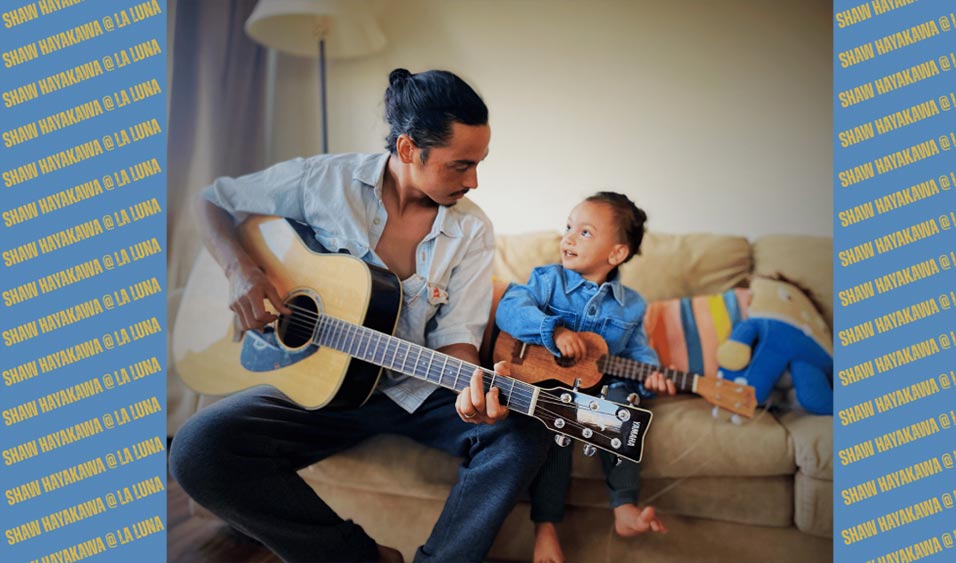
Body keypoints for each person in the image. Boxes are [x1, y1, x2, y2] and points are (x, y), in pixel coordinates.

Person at [169, 68, 550, 563]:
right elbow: (211, 202)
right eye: (460, 165)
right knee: (198, 449)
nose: (474, 182)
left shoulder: (473, 231)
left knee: (524, 432)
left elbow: (459, 332)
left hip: (417, 389)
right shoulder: (323, 182)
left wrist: (468, 391)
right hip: (323, 384)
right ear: (410, 149)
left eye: (479, 164)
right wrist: (242, 271)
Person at [495, 192, 676, 563]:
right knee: (556, 420)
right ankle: (545, 527)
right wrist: (554, 331)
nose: (569, 238)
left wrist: (651, 375)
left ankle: (624, 506)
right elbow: (511, 309)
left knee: (625, 407)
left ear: (617, 254)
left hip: (601, 386)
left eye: (585, 232)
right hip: (546, 385)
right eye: (568, 227)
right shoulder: (547, 280)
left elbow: (636, 352)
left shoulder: (632, 305)